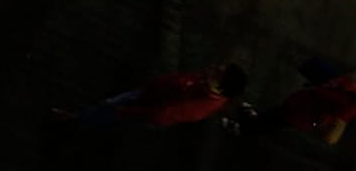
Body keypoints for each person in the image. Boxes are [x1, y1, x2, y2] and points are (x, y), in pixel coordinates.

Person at [80, 64, 248, 127]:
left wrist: (126, 111)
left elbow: (159, 115)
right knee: (116, 103)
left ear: (219, 86)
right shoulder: (206, 83)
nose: (213, 67)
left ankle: (79, 117)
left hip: (143, 105)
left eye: (218, 72)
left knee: (110, 111)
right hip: (149, 92)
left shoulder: (196, 105)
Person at [253, 68, 356, 143]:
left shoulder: (349, 105)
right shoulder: (349, 89)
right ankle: (252, 123)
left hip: (301, 113)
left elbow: (332, 134)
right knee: (274, 117)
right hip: (300, 106)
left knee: (274, 120)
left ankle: (248, 127)